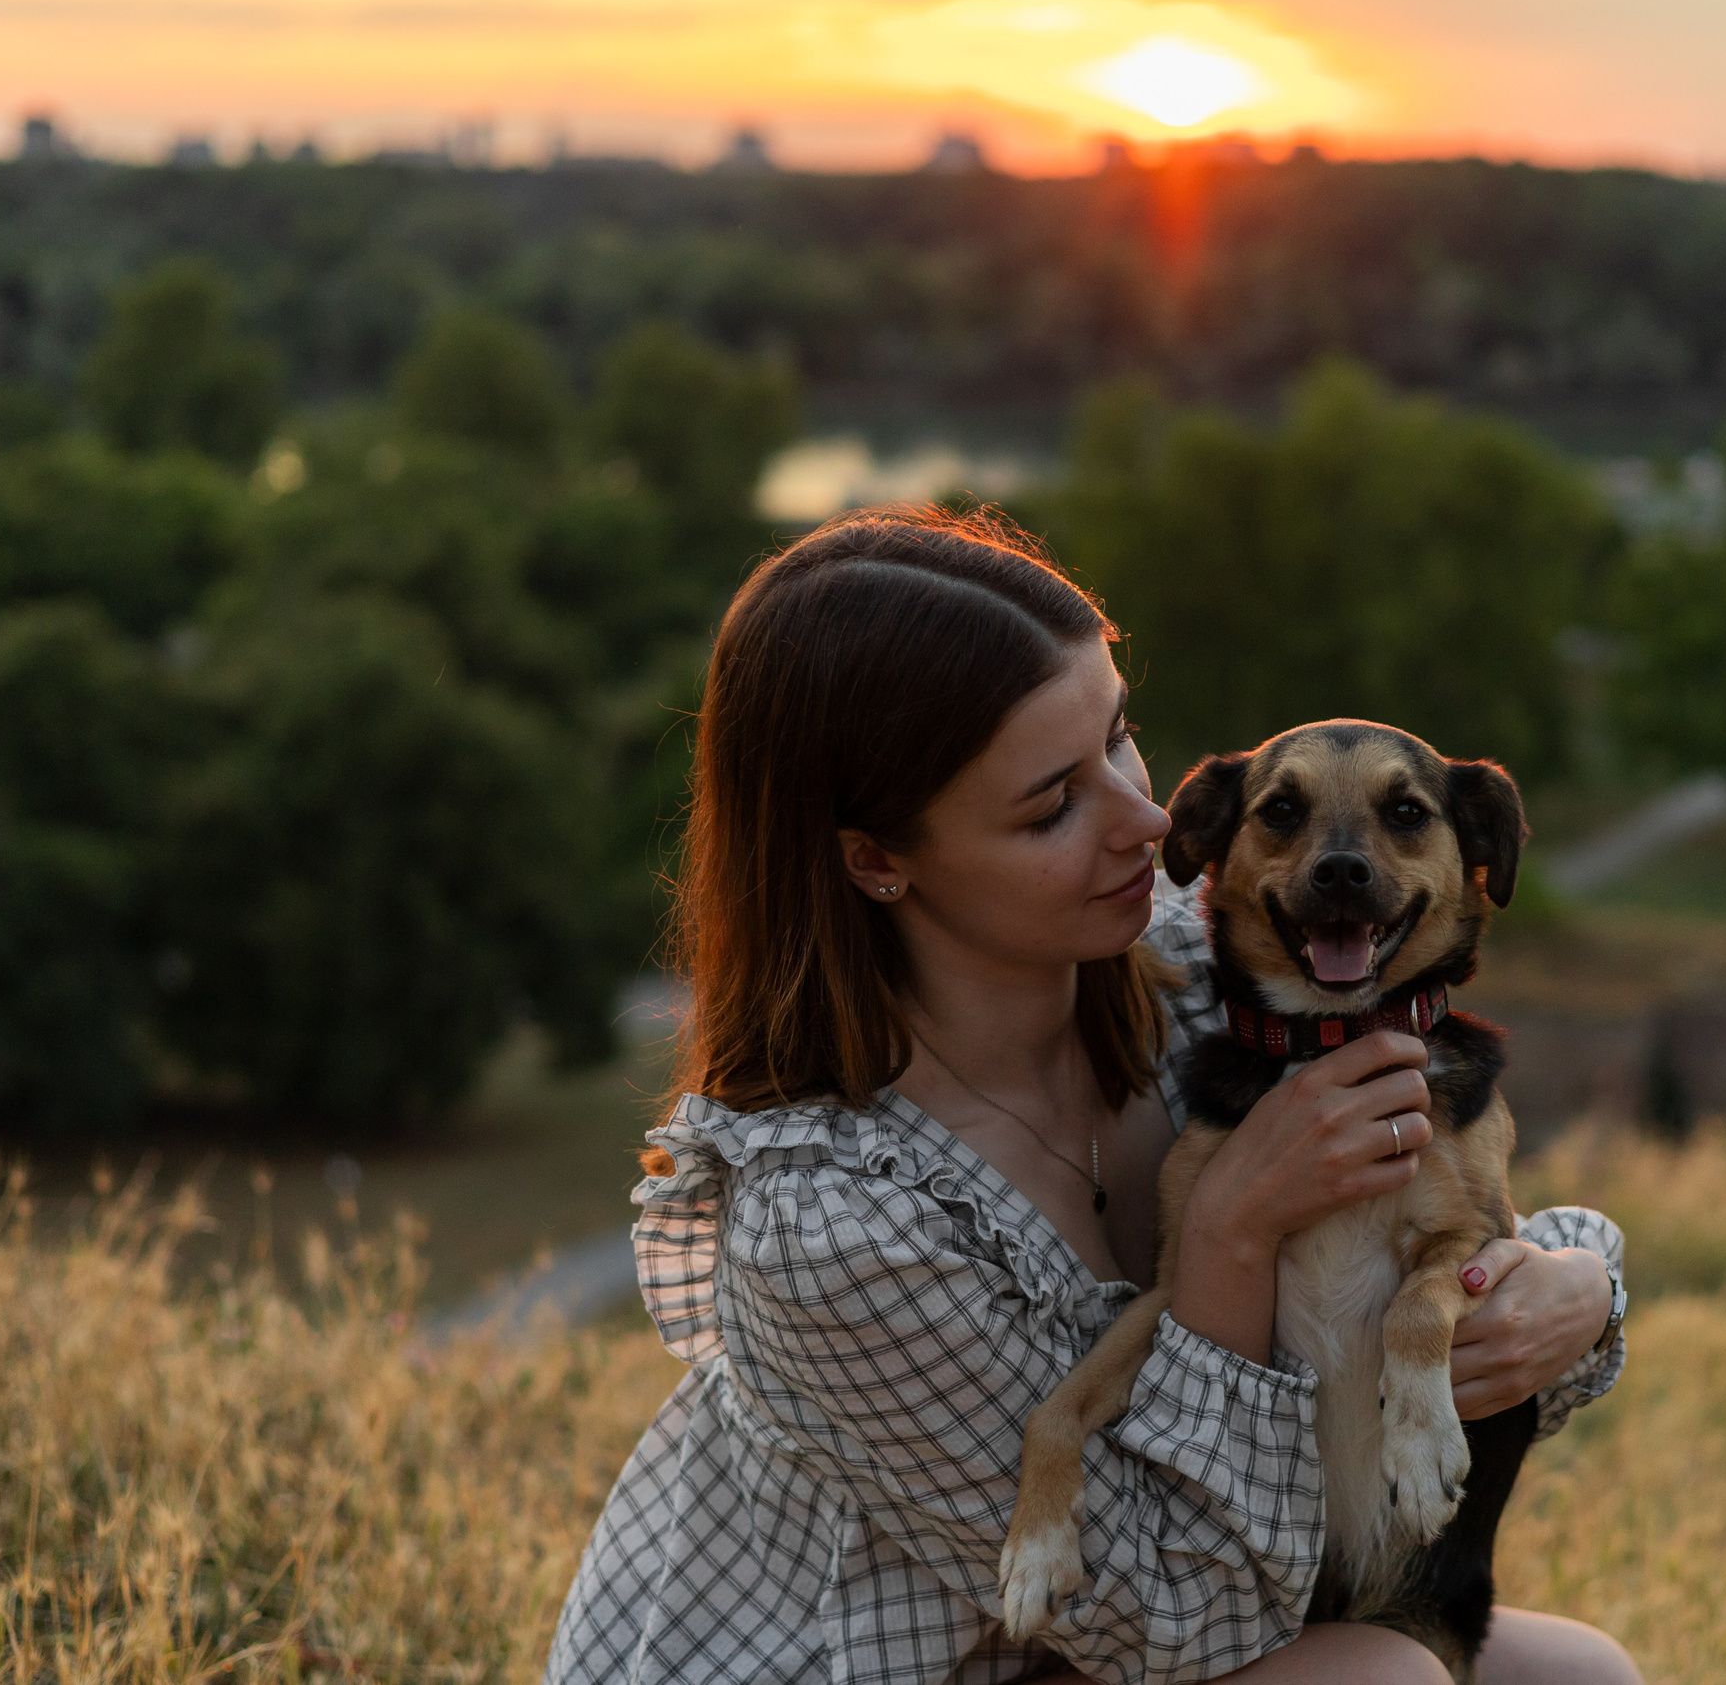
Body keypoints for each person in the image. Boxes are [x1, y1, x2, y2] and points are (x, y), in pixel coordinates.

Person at [546, 507, 1640, 1685]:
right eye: (1052, 803)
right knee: (1383, 1680)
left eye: (1121, 740)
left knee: (1578, 1678)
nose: (1149, 820)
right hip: (919, 1659)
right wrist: (1229, 1222)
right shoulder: (830, 1228)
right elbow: (1173, 1619)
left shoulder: (1202, 979)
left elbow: (1462, 1222)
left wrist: (1575, 1288)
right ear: (876, 858)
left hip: (1152, 1618)